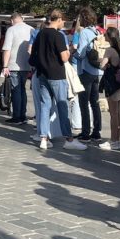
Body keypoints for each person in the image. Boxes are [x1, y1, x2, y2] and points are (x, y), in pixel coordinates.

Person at [30, 10, 86, 152]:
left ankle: (43, 138)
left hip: (42, 74)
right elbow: (64, 58)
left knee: (44, 106)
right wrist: (68, 52)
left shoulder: (40, 34)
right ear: (59, 19)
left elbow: (33, 54)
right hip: (56, 75)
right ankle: (69, 139)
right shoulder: (58, 36)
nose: (63, 24)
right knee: (62, 106)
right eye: (63, 21)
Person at [72, 7, 103, 144]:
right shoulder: (97, 30)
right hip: (97, 71)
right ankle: (96, 132)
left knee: (83, 102)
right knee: (95, 102)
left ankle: (85, 133)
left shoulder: (84, 32)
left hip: (86, 70)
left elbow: (81, 53)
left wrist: (73, 53)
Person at [99, 26, 120, 151]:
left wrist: (101, 61)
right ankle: (118, 139)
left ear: (109, 36)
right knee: (118, 113)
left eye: (105, 34)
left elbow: (102, 65)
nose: (104, 36)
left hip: (112, 84)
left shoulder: (109, 50)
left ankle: (113, 140)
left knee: (113, 113)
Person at [1, 12, 33, 125]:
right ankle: (23, 115)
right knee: (22, 89)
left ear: (12, 20)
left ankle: (17, 116)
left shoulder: (11, 30)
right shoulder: (31, 29)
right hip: (27, 64)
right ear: (22, 19)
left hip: (14, 64)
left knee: (16, 90)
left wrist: (5, 65)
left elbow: (7, 48)